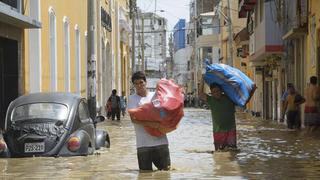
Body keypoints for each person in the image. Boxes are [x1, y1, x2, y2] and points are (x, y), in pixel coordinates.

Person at [127, 71, 171, 171]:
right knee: (145, 174)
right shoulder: (132, 99)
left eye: (141, 82)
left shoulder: (156, 96)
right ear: (133, 85)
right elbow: (134, 119)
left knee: (165, 172)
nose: (139, 85)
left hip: (161, 142)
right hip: (143, 144)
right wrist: (153, 124)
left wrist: (164, 123)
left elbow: (163, 114)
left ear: (146, 82)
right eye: (136, 83)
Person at [199, 79, 237, 151]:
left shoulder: (229, 98)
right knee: (219, 152)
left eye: (217, 91)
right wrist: (202, 80)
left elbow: (240, 97)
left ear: (221, 91)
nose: (216, 93)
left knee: (233, 151)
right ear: (212, 93)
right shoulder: (211, 100)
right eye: (214, 92)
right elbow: (200, 95)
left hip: (230, 131)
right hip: (218, 132)